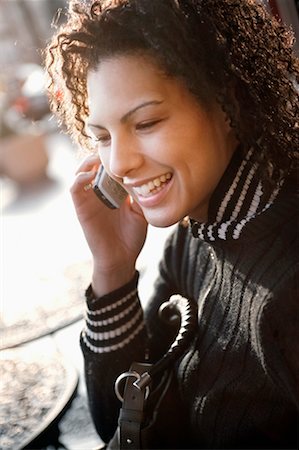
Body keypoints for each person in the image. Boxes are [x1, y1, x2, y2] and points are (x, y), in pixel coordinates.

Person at [45, 0, 299, 448]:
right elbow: (121, 423)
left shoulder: (288, 283)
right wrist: (112, 270)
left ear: (228, 102)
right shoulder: (196, 233)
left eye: (145, 122)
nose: (119, 163)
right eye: (102, 136)